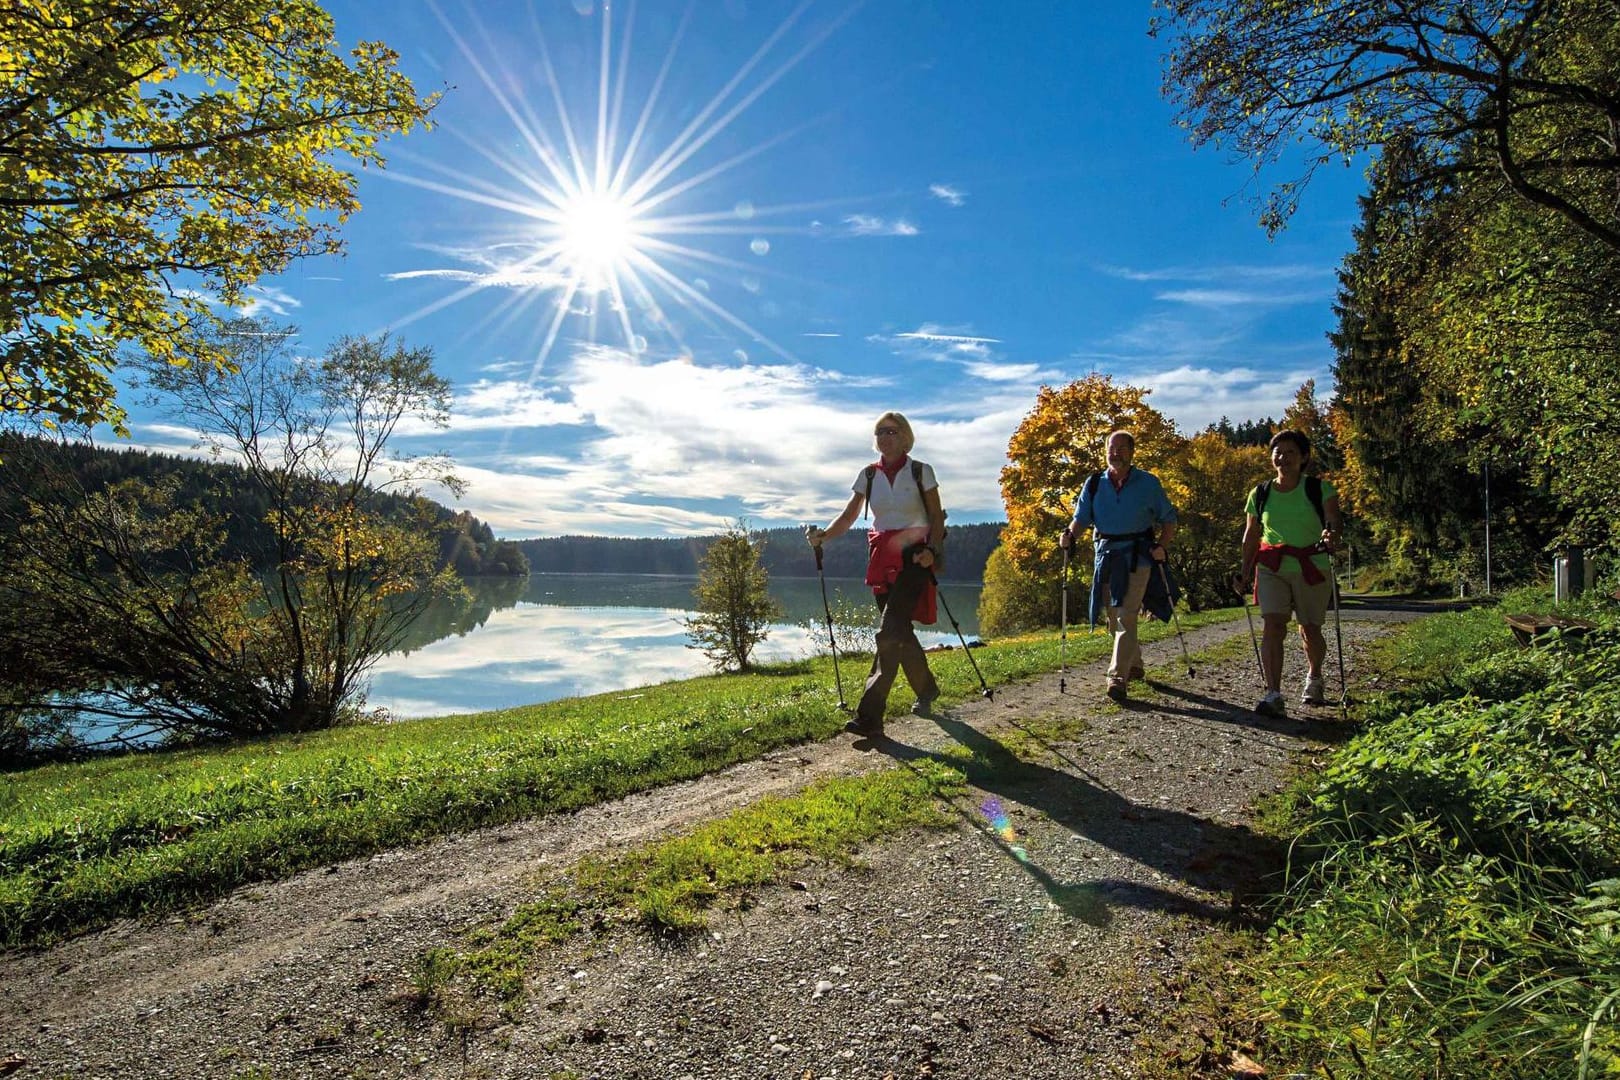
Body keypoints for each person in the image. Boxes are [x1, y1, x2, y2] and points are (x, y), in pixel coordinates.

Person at [805, 411, 945, 739]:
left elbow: (937, 515)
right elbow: (851, 514)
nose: (885, 437)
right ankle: (927, 691)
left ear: (905, 436)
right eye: (880, 431)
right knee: (899, 632)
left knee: (888, 632)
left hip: (915, 556)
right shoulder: (868, 475)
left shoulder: (921, 471)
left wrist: (933, 551)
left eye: (892, 431)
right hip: (881, 557)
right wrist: (824, 536)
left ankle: (869, 716)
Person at [1059, 430, 1178, 702]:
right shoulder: (1093, 484)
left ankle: (1117, 677)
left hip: (1138, 555)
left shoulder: (1148, 483)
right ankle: (1134, 664)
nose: (1116, 453)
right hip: (1106, 555)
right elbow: (1081, 519)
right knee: (1114, 618)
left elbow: (1169, 518)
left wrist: (1163, 545)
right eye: (1111, 449)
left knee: (1126, 614)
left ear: (1132, 452)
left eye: (1122, 448)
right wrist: (1068, 536)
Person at [1239, 429, 1342, 717]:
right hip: (1272, 567)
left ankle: (1314, 676)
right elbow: (1251, 535)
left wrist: (1331, 535)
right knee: (1273, 626)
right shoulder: (1259, 494)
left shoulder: (1319, 489)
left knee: (1310, 628)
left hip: (1312, 565)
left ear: (1304, 457)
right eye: (1278, 452)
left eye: (1290, 452)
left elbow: (1333, 521)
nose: (1282, 457)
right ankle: (1273, 694)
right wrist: (1244, 572)